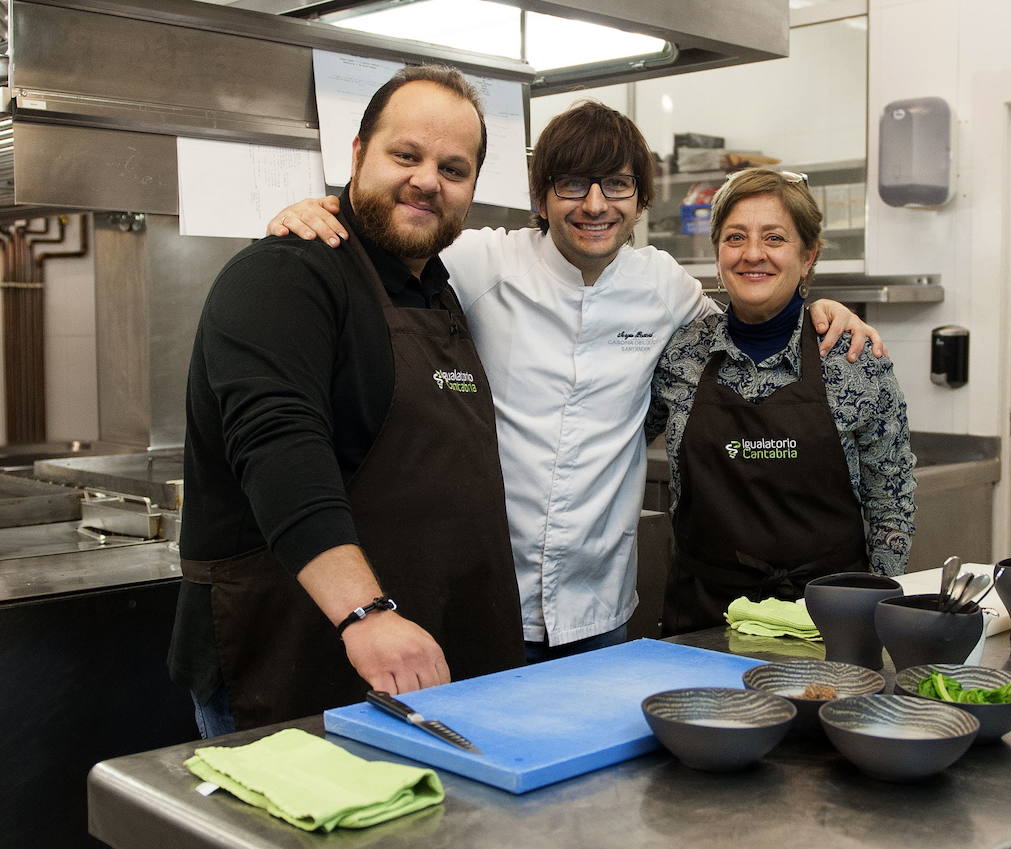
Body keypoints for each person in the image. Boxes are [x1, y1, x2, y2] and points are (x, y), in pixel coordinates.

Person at [267, 102, 885, 659]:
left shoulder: (663, 286)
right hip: (484, 595)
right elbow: (387, 242)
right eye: (572, 185)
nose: (595, 205)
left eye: (617, 185)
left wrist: (817, 311)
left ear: (639, 201)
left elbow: (747, 325)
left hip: (599, 607)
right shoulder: (481, 262)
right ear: (541, 199)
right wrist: (317, 210)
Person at [169, 65, 526, 737]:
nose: (427, 180)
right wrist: (365, 614)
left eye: (454, 168)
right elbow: (279, 448)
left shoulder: (437, 291)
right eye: (406, 155)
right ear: (358, 155)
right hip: (299, 662)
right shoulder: (283, 274)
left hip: (423, 672)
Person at [645, 168, 915, 636]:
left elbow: (891, 499)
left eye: (775, 238)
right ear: (717, 253)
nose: (753, 254)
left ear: (808, 256)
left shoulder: (854, 359)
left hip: (827, 620)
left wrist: (871, 608)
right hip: (703, 619)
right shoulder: (680, 354)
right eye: (735, 238)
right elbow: (613, 436)